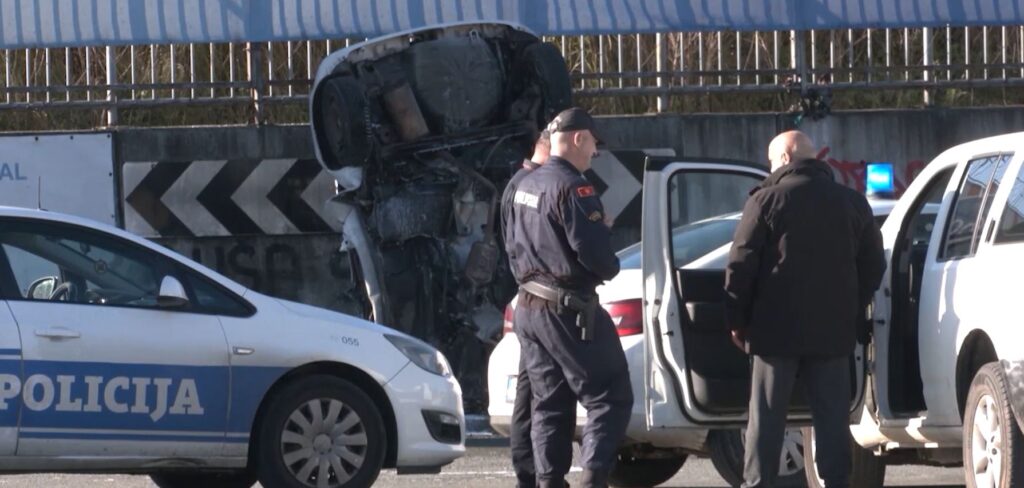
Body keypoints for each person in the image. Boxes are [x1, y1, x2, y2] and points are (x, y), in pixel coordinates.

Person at [724, 130, 886, 488]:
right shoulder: (852, 202)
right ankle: (837, 481)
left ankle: (758, 483)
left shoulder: (765, 201)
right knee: (831, 419)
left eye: (770, 161)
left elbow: (741, 264)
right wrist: (852, 305)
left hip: (773, 332)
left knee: (766, 419)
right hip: (832, 331)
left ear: (784, 158)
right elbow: (874, 263)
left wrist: (737, 319)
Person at [507, 107, 633, 488]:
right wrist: (607, 248)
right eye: (593, 142)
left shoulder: (525, 183)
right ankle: (592, 480)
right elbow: (595, 257)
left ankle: (549, 482)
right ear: (578, 138)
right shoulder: (574, 186)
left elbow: (513, 243)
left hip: (529, 306)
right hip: (566, 308)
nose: (595, 151)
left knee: (549, 404)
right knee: (610, 397)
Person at [500, 128, 550, 488]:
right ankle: (531, 473)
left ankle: (529, 473)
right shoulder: (533, 186)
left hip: (525, 294)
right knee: (535, 391)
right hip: (539, 298)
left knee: (529, 389)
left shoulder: (516, 184)